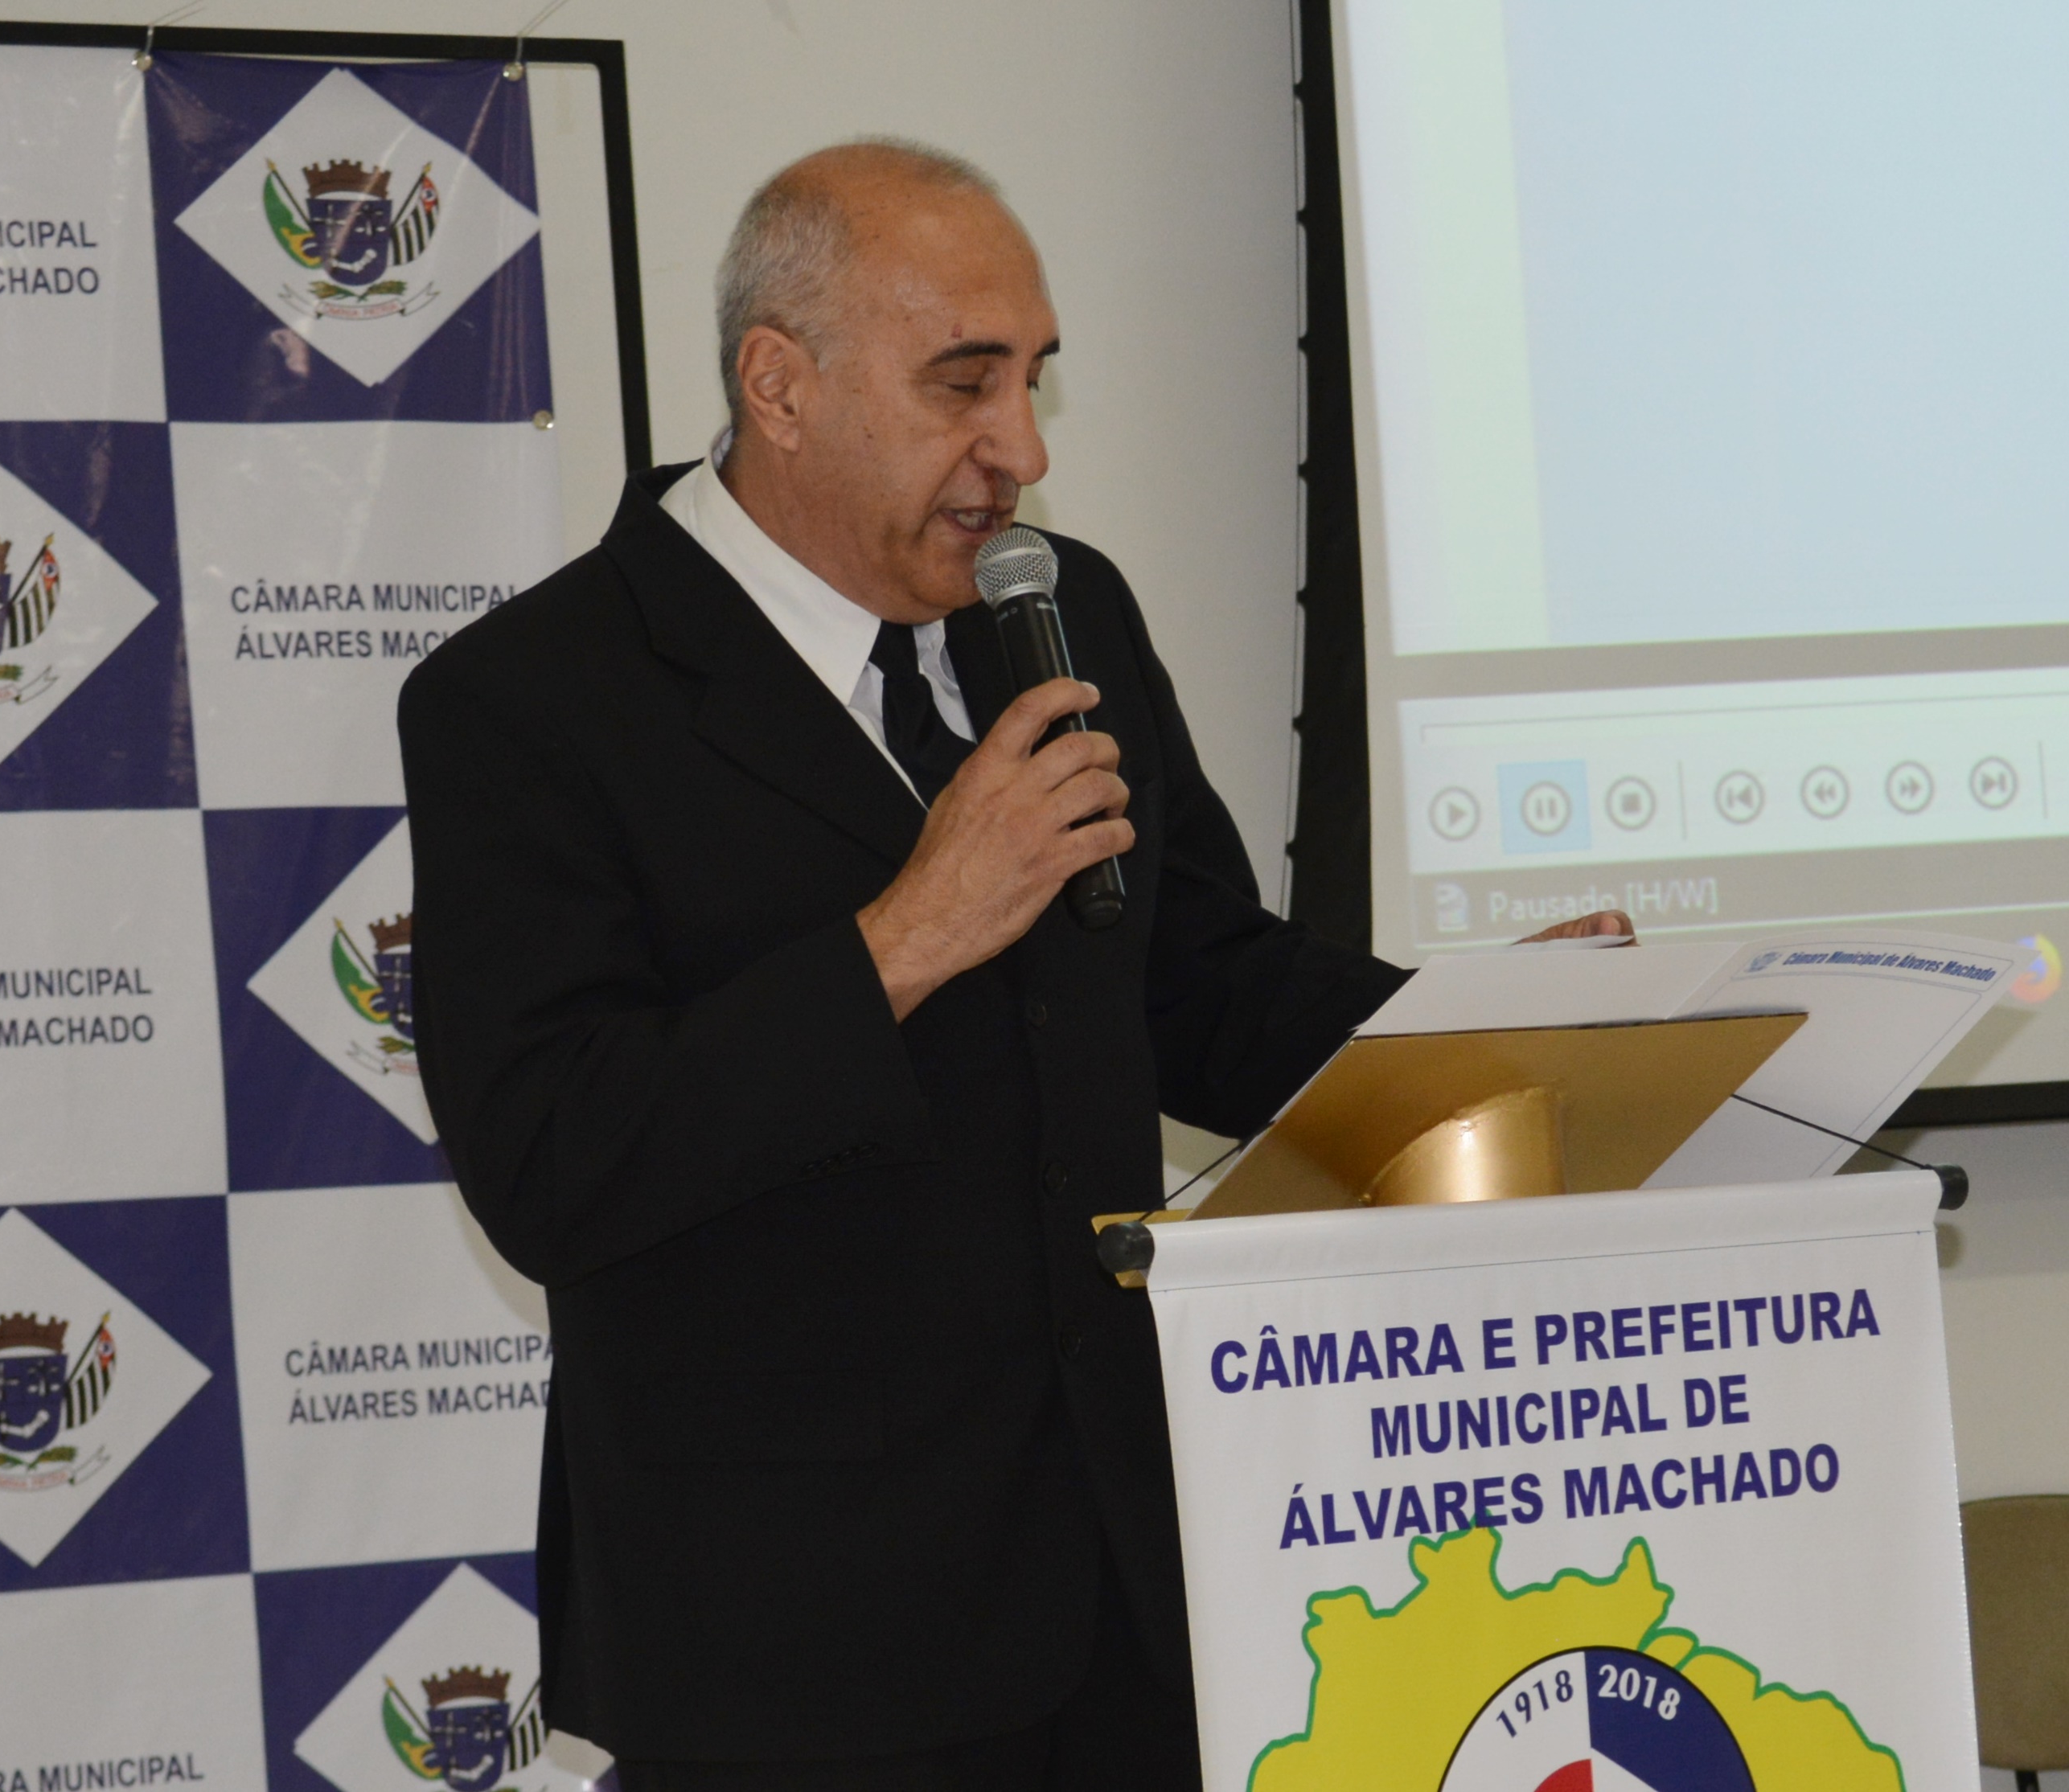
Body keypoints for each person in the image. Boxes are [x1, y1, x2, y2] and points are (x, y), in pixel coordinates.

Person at [396, 139, 1628, 1791]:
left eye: (1031, 378)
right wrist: (905, 936)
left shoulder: (1062, 613)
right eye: (962, 383)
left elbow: (1193, 985)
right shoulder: (536, 695)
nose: (1022, 451)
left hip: (1127, 1594)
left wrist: (1479, 1026)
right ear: (778, 385)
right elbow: (552, 1161)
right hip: (789, 1651)